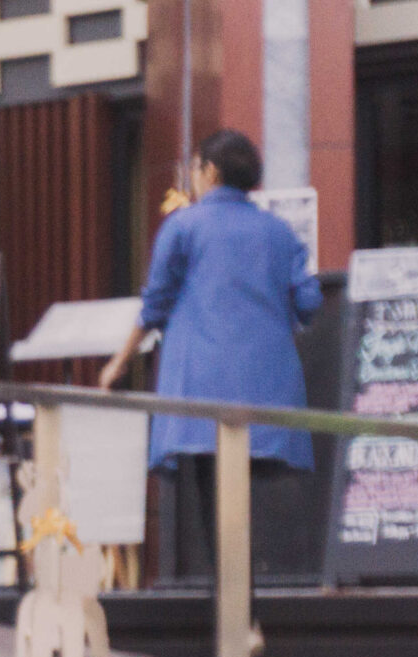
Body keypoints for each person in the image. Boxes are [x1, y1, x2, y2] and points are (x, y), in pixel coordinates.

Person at [97, 128, 323, 582]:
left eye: (195, 168)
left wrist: (118, 362)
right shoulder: (279, 232)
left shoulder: (184, 226)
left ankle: (230, 607)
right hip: (268, 387)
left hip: (199, 384)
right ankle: (252, 604)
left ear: (210, 171)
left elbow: (155, 303)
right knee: (255, 496)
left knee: (209, 496)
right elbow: (309, 302)